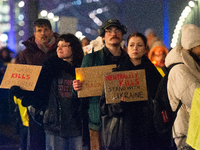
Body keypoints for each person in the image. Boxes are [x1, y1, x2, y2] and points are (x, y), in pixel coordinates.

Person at [11, 33, 89, 150]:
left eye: (64, 45)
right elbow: (38, 93)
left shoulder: (83, 70)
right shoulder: (50, 68)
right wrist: (22, 92)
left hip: (78, 127)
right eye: (58, 45)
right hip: (54, 126)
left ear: (74, 48)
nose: (59, 48)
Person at [100, 32, 162, 150]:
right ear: (127, 48)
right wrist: (119, 104)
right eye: (132, 45)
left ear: (145, 49)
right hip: (124, 132)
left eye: (139, 45)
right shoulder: (116, 73)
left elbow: (162, 100)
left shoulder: (153, 73)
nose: (135, 49)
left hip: (149, 131)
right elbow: (104, 106)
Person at [73, 19, 128, 150]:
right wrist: (75, 87)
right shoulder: (90, 59)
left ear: (122, 34)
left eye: (117, 31)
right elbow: (79, 90)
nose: (113, 34)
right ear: (103, 36)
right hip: (97, 120)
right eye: (109, 31)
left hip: (124, 120)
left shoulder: (128, 60)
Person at [13, 18, 59, 150]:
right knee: (36, 140)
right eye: (39, 30)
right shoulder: (26, 54)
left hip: (58, 101)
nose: (43, 33)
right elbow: (18, 78)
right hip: (35, 104)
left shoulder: (62, 48)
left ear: (51, 31)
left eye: (46, 30)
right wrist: (25, 97)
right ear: (35, 33)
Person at [165, 24, 200, 150]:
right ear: (191, 47)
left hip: (194, 134)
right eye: (199, 46)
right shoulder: (180, 70)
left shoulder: (192, 66)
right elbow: (195, 98)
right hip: (187, 135)